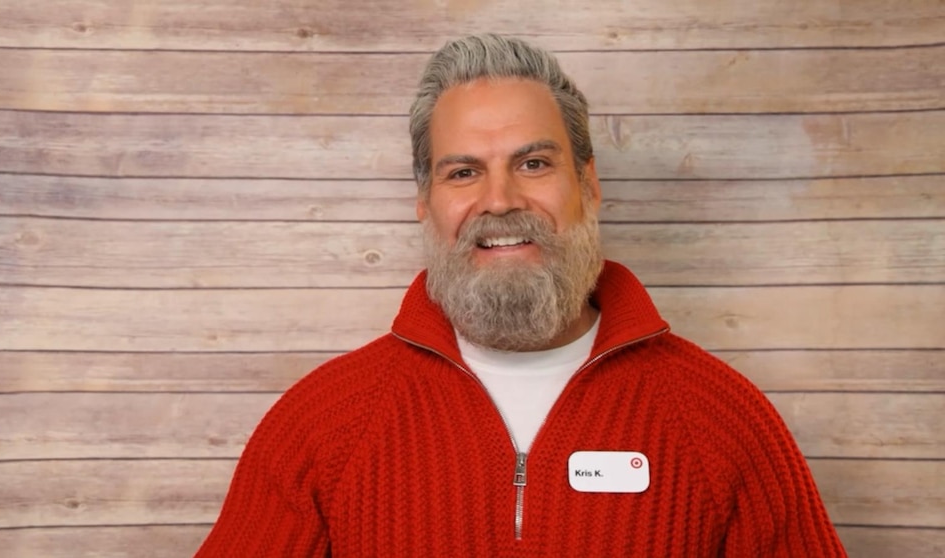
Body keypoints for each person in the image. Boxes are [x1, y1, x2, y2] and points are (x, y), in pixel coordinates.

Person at [195, 34, 847, 557]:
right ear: (424, 201)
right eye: (463, 172)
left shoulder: (724, 422)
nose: (501, 200)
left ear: (588, 184)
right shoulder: (318, 427)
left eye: (533, 164)